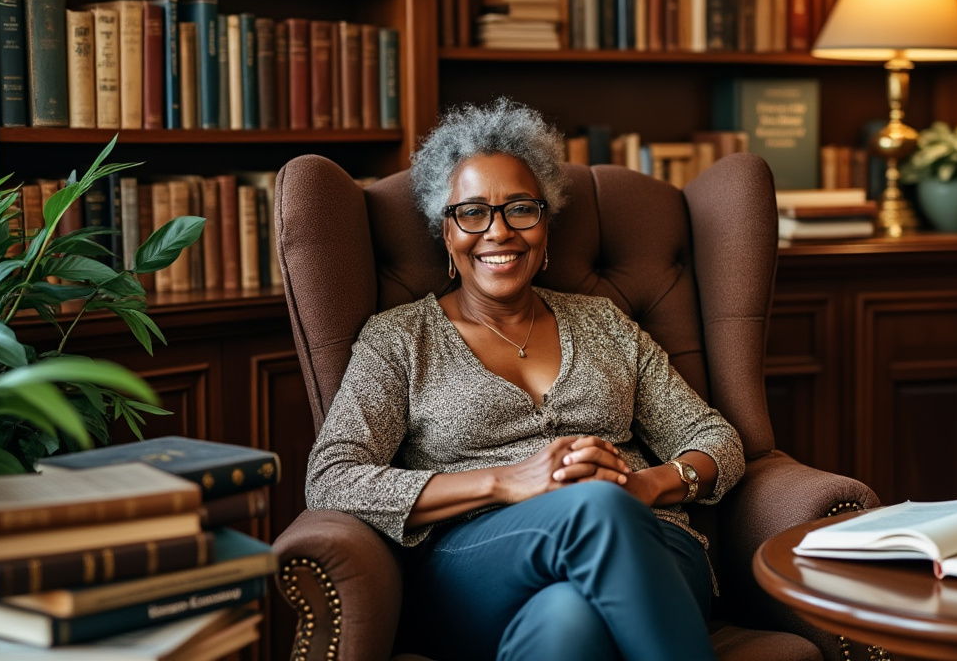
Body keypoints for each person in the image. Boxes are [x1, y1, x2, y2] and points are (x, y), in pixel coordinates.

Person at [305, 98, 746, 661]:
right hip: (480, 560)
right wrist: (505, 482)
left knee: (567, 620)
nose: (498, 231)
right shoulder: (398, 340)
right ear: (446, 232)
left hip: (652, 544)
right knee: (595, 508)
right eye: (472, 213)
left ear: (545, 224)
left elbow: (717, 439)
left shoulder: (605, 324)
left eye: (520, 209)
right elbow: (332, 478)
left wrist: (644, 487)